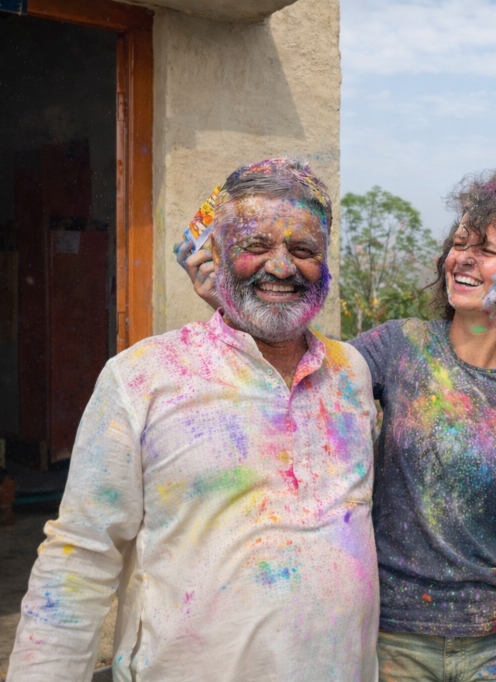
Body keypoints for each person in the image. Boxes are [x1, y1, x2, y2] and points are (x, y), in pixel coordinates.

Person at [179, 170, 496, 681]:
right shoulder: (397, 348)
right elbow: (300, 375)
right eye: (459, 244)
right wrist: (234, 304)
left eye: (488, 249)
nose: (464, 258)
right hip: (397, 634)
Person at [7, 158, 379, 680]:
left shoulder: (351, 374)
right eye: (255, 246)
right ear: (217, 256)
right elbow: (80, 558)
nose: (281, 267)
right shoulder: (142, 377)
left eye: (303, 250)